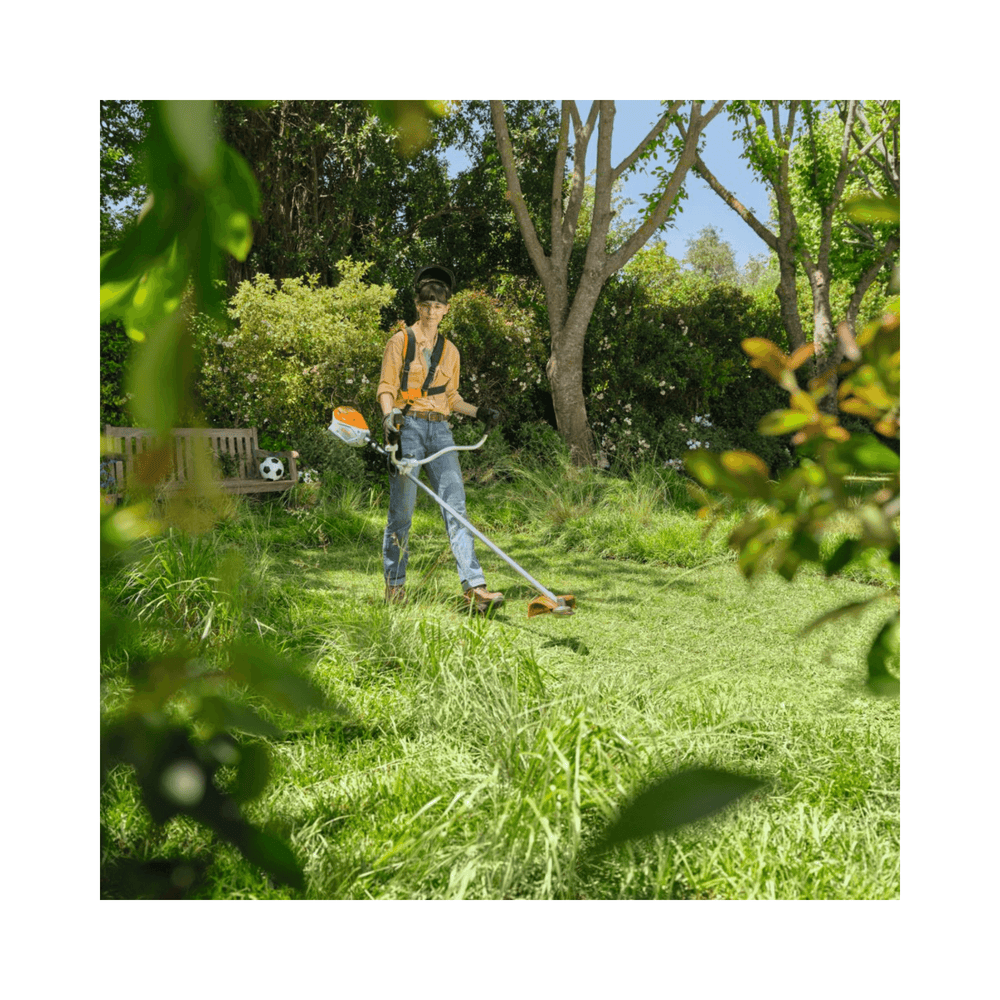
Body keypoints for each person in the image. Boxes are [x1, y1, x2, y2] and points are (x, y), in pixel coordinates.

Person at [376, 265, 503, 613]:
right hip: (409, 428)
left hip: (441, 431)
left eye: (439, 305)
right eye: (427, 304)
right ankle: (396, 586)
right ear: (418, 305)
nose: (432, 311)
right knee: (401, 512)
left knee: (456, 508)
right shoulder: (400, 341)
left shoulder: (451, 351)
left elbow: (451, 398)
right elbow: (387, 388)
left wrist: (480, 412)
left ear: (447, 309)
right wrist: (391, 418)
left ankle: (474, 588)